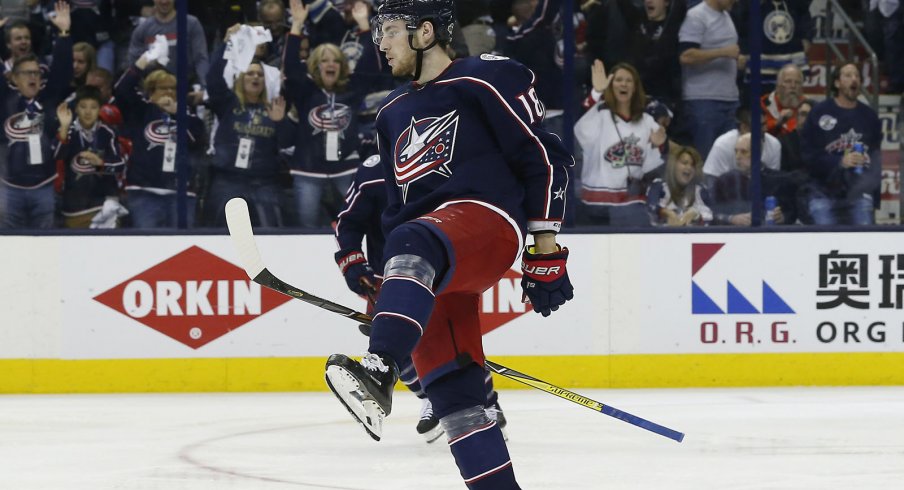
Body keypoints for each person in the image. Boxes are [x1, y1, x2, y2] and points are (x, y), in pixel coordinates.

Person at [323, 1, 574, 488]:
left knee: (411, 237)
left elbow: (542, 153)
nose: (381, 41)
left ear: (426, 33)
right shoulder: (390, 113)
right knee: (455, 397)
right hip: (435, 256)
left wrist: (544, 246)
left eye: (391, 30)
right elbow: (399, 206)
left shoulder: (484, 77)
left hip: (487, 223)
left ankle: (379, 369)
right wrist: (392, 293)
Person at [335, 153, 508, 444]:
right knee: (394, 350)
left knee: (456, 345)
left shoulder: (450, 156)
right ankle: (432, 397)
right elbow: (348, 223)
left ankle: (487, 403)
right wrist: (353, 263)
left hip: (442, 271)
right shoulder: (373, 170)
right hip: (391, 279)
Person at [284, 0, 369, 228]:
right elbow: (291, 68)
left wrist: (364, 26)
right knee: (306, 228)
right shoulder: (305, 91)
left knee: (359, 223)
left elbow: (371, 66)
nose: (329, 64)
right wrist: (296, 26)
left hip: (346, 169)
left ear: (342, 66)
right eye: (323, 60)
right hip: (308, 170)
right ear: (315, 66)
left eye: (335, 61)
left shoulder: (351, 90)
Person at [202, 24, 293, 228]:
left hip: (265, 181)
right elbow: (213, 78)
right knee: (214, 231)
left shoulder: (274, 108)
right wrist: (226, 45)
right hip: (228, 179)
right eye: (250, 74)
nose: (255, 77)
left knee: (274, 231)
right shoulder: (227, 102)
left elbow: (287, 143)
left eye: (260, 75)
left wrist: (281, 121)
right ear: (241, 79)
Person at [0, 1, 71, 229]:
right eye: (26, 74)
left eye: (36, 73)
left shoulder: (48, 98)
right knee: (9, 250)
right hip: (10, 188)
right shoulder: (4, 99)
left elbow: (62, 70)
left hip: (44, 187)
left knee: (46, 248)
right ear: (13, 78)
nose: (33, 77)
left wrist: (63, 34)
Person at [114, 53, 205, 228]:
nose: (170, 92)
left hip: (181, 194)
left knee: (181, 248)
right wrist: (139, 65)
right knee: (147, 247)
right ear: (151, 92)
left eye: (173, 88)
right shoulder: (141, 111)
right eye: (163, 88)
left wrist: (178, 113)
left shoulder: (190, 117)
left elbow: (197, 141)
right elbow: (121, 90)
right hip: (144, 192)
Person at [574, 60, 666, 226]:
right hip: (597, 206)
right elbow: (579, 125)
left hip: (632, 206)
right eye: (618, 80)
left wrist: (658, 145)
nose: (623, 84)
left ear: (635, 87)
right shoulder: (600, 112)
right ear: (611, 85)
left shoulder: (646, 121)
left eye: (629, 80)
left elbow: (653, 168)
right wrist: (595, 93)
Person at [800, 63, 882, 226]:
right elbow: (808, 156)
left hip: (858, 193)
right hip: (822, 192)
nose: (854, 79)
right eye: (848, 75)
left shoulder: (869, 116)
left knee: (864, 240)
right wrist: (839, 162)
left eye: (857, 76)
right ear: (837, 83)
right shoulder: (819, 113)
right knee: (825, 243)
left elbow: (876, 159)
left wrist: (875, 199)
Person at [53, 87, 125, 228]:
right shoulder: (68, 131)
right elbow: (56, 155)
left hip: (104, 205)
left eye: (93, 107)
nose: (88, 112)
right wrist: (64, 128)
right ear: (76, 109)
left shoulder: (108, 132)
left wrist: (100, 163)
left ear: (100, 109)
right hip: (74, 207)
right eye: (83, 106)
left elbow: (120, 164)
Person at [678, 0, 741, 159]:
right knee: (704, 160)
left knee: (729, 159)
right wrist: (722, 52)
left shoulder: (727, 15)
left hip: (730, 99)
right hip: (703, 101)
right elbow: (686, 56)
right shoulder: (696, 16)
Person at [702, 107, 782, 188]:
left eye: (765, 124)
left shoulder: (774, 144)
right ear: (744, 127)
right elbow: (712, 180)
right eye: (760, 125)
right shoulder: (723, 144)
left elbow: (773, 180)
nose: (766, 129)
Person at [646, 146, 713, 226]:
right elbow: (650, 207)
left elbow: (712, 215)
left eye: (692, 165)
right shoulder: (659, 186)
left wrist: (695, 214)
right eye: (684, 163)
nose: (689, 167)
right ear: (673, 165)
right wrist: (666, 212)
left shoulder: (700, 190)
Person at [761, 64, 805, 136]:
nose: (793, 86)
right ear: (778, 85)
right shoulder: (763, 104)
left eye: (797, 82)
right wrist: (777, 123)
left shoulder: (806, 105)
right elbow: (758, 132)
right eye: (788, 81)